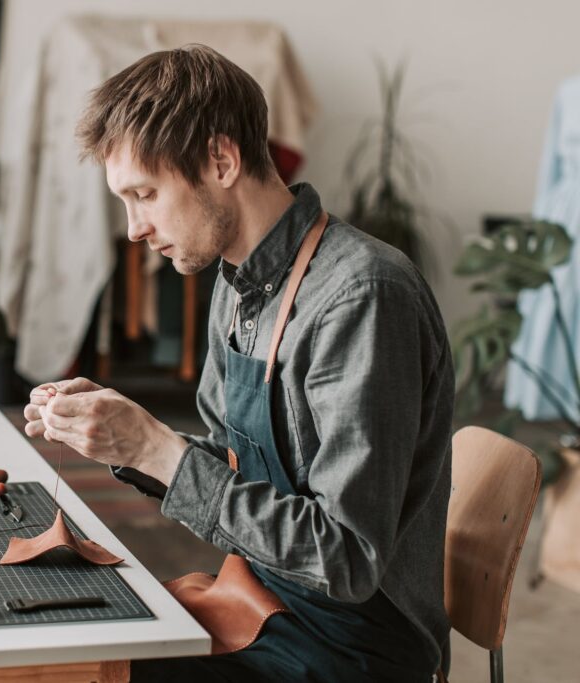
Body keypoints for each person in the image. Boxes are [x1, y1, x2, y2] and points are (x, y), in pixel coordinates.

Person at [23, 44, 454, 682]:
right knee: (74, 644)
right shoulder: (235, 278)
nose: (134, 227)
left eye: (145, 193)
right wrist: (126, 434)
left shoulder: (361, 297)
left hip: (354, 647)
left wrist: (157, 453)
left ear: (221, 160)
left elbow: (346, 561)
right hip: (264, 596)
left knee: (85, 671)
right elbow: (233, 463)